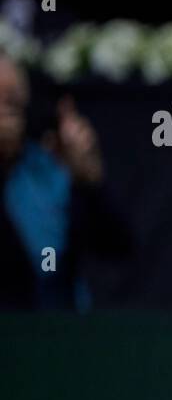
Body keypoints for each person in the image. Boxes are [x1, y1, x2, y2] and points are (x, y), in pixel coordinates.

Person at [0, 53, 131, 309]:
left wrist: (91, 184)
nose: (6, 118)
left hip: (57, 329)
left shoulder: (49, 168)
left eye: (13, 104)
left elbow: (118, 246)